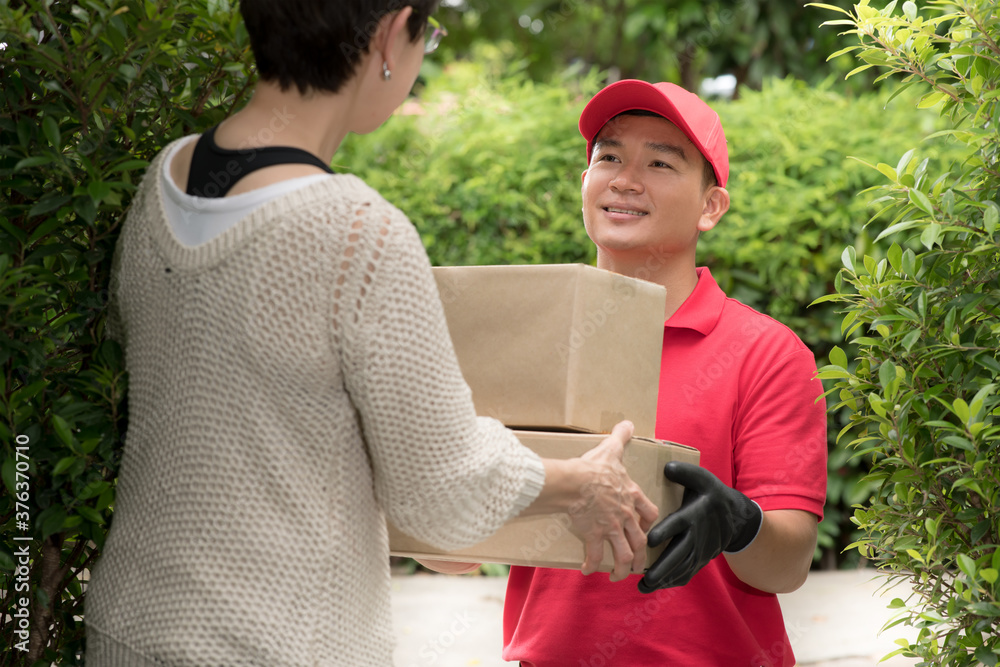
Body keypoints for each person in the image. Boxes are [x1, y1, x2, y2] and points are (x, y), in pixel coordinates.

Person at [82, 5, 658, 666]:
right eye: (428, 37)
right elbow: (441, 488)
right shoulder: (359, 232)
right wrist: (582, 484)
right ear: (391, 34)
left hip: (130, 625)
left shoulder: (166, 176)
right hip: (273, 644)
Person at [423, 80, 829, 666]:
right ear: (583, 183)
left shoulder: (767, 353)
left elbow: (787, 565)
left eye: (660, 162)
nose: (625, 179)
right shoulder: (520, 336)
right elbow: (451, 553)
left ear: (711, 206)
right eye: (608, 156)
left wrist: (740, 525)